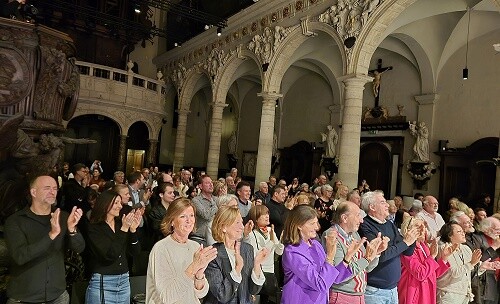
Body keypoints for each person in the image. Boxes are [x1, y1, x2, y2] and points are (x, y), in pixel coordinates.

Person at [4, 175, 84, 303]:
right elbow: (20, 256)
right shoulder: (15, 221)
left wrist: (72, 229)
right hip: (24, 298)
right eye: (47, 188)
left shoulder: (63, 217)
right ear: (33, 192)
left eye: (55, 188)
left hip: (58, 296)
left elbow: (79, 248)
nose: (52, 192)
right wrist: (51, 235)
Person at [281, 205, 362, 304]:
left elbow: (333, 278)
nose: (317, 227)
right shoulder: (293, 252)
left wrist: (347, 257)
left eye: (317, 222)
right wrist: (330, 256)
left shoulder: (316, 245)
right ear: (299, 225)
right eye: (312, 223)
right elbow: (320, 284)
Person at [146, 198, 218, 303]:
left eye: (192, 215)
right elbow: (167, 297)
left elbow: (201, 294)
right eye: (183, 216)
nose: (189, 220)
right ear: (171, 221)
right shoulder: (161, 249)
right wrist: (194, 267)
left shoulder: (195, 246)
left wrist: (199, 274)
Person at [358, 191, 418, 304]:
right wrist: (405, 242)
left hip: (393, 289)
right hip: (374, 291)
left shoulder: (389, 224)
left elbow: (407, 252)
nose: (387, 205)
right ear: (372, 207)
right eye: (382, 202)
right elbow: (381, 255)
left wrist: (413, 235)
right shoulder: (365, 225)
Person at [84, 190, 143, 304]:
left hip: (124, 282)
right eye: (116, 203)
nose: (120, 206)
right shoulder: (94, 228)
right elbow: (109, 256)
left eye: (120, 203)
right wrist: (124, 229)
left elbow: (135, 252)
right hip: (104, 282)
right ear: (105, 204)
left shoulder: (120, 224)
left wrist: (133, 230)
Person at [323, 202, 387, 303]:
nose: (361, 220)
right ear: (344, 218)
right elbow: (338, 275)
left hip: (359, 295)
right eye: (358, 215)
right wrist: (366, 258)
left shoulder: (355, 234)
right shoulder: (331, 236)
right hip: (341, 296)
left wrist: (376, 253)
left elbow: (367, 267)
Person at [205, 206, 269, 304]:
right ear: (223, 227)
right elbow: (222, 295)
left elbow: (254, 290)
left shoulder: (247, 249)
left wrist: (257, 265)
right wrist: (237, 269)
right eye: (237, 223)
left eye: (241, 222)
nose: (242, 227)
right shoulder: (213, 254)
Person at [436, 222, 499, 304]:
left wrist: (482, 267)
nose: (463, 233)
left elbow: (469, 271)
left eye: (463, 231)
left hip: (464, 295)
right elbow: (454, 273)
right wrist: (471, 264)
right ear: (449, 235)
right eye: (459, 231)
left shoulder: (466, 248)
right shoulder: (444, 249)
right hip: (448, 295)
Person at [397, 217, 453, 304]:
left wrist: (444, 258)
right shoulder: (406, 248)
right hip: (413, 295)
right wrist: (432, 256)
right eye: (417, 226)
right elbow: (420, 273)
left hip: (426, 293)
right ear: (408, 230)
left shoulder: (424, 246)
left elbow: (432, 274)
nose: (422, 229)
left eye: (423, 226)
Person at [244, 205, 284, 304]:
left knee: (269, 300)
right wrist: (271, 241)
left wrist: (282, 241)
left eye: (267, 213)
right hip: (258, 272)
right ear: (255, 218)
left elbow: (279, 252)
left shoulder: (271, 230)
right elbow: (259, 255)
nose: (267, 216)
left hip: (271, 272)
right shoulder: (252, 234)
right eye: (263, 214)